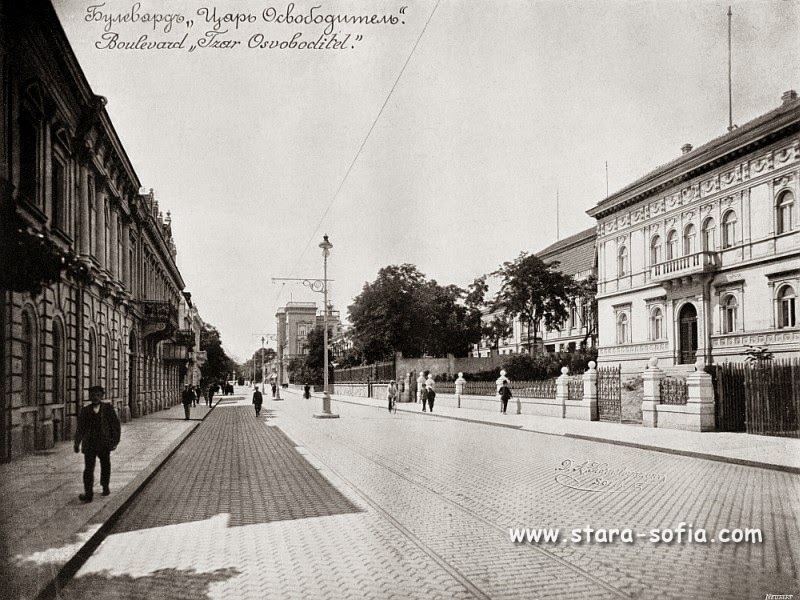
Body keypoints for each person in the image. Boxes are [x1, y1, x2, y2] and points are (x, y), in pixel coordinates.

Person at [74, 385, 121, 503]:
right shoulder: (85, 411)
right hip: (89, 444)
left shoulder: (108, 409)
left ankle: (105, 486)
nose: (95, 397)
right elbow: (80, 428)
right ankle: (88, 493)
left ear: (102, 396)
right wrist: (77, 443)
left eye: (98, 395)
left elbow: (115, 426)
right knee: (88, 469)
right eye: (93, 395)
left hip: (104, 443)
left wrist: (114, 441)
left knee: (105, 465)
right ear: (89, 396)